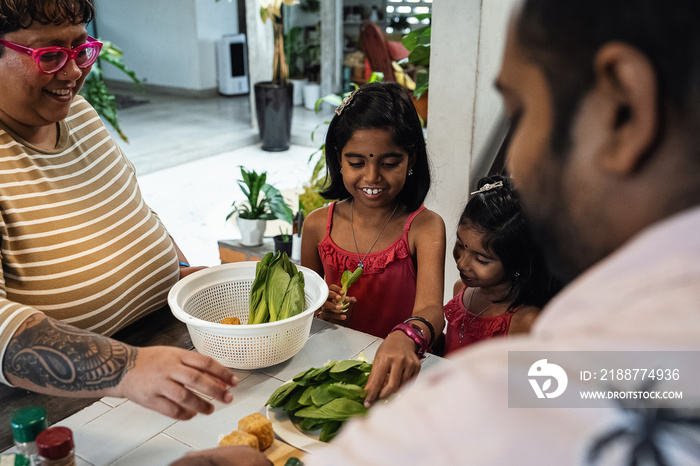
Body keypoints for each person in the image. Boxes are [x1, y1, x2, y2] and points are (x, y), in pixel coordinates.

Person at [172, 0, 700, 463]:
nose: (512, 158)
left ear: (626, 108)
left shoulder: (485, 399)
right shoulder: (630, 348)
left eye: (521, 111)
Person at [0, 0, 237, 420]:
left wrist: (181, 274)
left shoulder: (81, 117)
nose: (74, 72)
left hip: (156, 351)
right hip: (57, 412)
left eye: (80, 49)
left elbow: (133, 213)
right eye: (51, 55)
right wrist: (128, 368)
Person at [301, 81, 446, 405]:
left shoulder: (424, 228)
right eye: (357, 163)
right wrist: (319, 308)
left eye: (389, 163)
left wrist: (407, 336)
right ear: (338, 158)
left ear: (411, 159)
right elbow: (304, 303)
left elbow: (432, 310)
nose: (372, 177)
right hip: (333, 375)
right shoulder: (316, 226)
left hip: (402, 380)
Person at [442, 175, 559, 355]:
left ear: (516, 263)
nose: (462, 263)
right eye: (460, 244)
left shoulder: (525, 321)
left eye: (481, 259)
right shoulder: (461, 290)